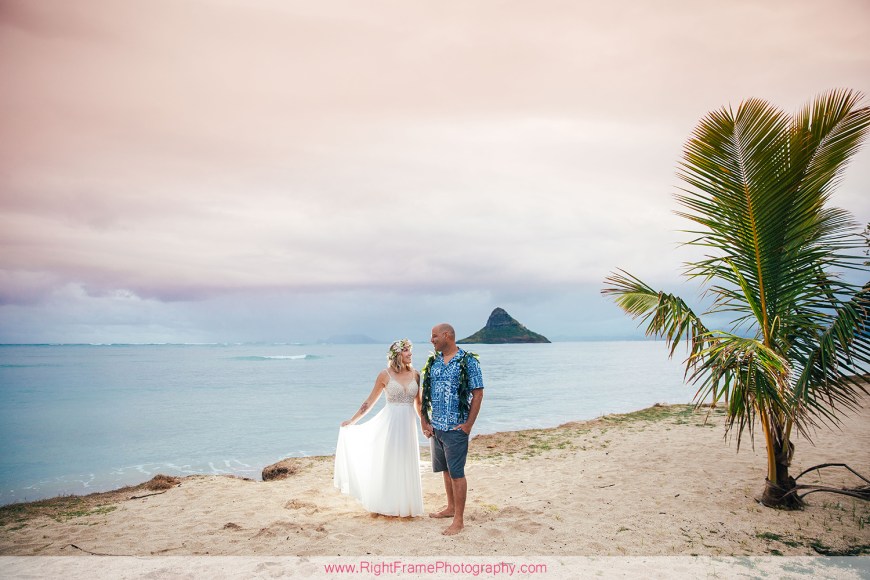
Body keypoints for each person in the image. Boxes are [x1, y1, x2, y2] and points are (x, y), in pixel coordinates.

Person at [333, 338, 424, 517]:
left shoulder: (416, 374)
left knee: (407, 460)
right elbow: (369, 402)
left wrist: (425, 425)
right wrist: (352, 421)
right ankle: (388, 505)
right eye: (406, 350)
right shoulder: (385, 375)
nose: (410, 353)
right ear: (397, 354)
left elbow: (419, 404)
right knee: (391, 462)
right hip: (391, 424)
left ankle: (407, 506)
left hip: (408, 425)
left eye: (410, 350)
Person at [419, 323, 484, 535]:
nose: (432, 340)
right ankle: (450, 508)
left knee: (457, 473)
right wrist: (425, 421)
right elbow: (424, 393)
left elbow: (478, 393)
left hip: (456, 428)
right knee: (445, 471)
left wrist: (468, 425)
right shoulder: (434, 362)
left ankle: (459, 520)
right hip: (436, 427)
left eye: (434, 336)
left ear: (447, 335)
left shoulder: (467, 361)